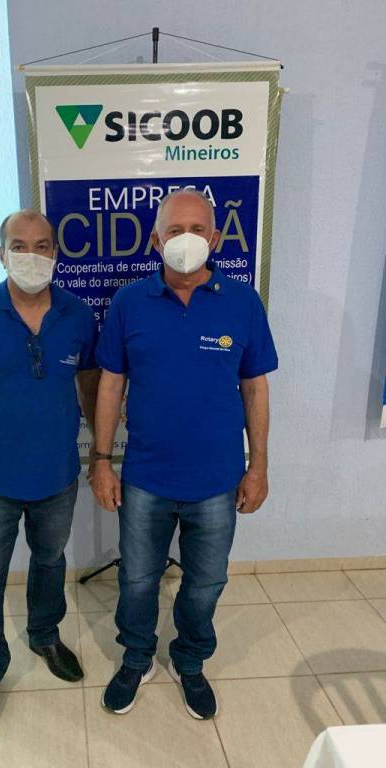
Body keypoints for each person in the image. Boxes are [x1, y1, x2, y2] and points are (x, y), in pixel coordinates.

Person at [91, 188, 278, 719]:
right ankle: (136, 658)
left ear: (215, 238)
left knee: (206, 581)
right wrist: (101, 462)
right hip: (146, 476)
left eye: (197, 230)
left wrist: (259, 466)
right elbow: (110, 384)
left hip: (217, 479)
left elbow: (255, 388)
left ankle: (190, 659)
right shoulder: (129, 302)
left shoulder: (242, 302)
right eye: (174, 231)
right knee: (137, 579)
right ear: (156, 241)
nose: (186, 239)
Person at [0, 210, 99, 732]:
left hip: (57, 477)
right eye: (20, 245)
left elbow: (90, 386)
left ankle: (44, 636)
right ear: (1, 254)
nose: (32, 255)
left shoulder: (77, 315)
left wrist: (101, 454)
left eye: (42, 245)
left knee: (49, 562)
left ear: (56, 253)